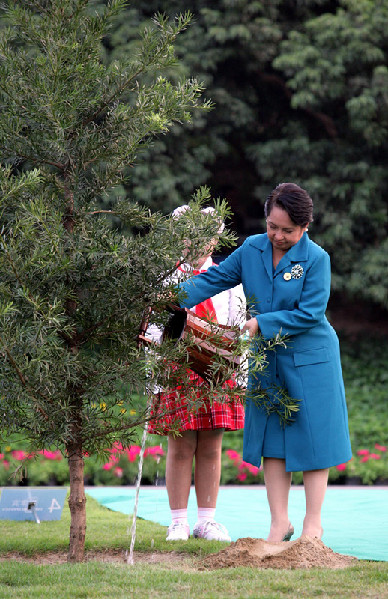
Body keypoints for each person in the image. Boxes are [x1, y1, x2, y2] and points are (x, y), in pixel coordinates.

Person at [176, 183, 352, 542]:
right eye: (273, 226)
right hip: (266, 359)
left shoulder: (317, 259)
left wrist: (262, 323)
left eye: (288, 230)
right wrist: (172, 299)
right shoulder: (252, 248)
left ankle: (312, 524)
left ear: (305, 227)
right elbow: (214, 279)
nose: (278, 235)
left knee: (312, 439)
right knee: (273, 439)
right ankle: (279, 522)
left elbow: (311, 313)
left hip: (311, 358)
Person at [147, 205, 246, 542]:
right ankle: (178, 521)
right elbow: (155, 332)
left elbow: (237, 330)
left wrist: (239, 375)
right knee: (179, 447)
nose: (197, 243)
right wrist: (156, 374)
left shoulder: (230, 281)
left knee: (211, 447)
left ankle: (207, 521)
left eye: (206, 236)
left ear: (216, 238)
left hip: (217, 371)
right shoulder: (165, 280)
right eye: (189, 235)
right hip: (177, 371)